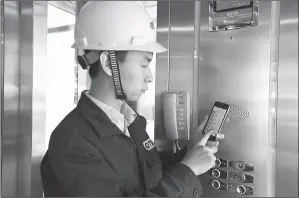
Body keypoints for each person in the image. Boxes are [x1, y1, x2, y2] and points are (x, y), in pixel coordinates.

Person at [40, 1, 224, 197]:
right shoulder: (71, 142)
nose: (150, 76)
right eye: (144, 65)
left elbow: (150, 176)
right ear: (108, 64)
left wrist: (189, 152)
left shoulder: (130, 122)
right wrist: (188, 171)